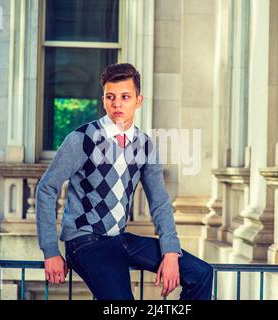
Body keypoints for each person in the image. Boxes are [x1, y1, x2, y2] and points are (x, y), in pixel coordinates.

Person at [35, 63, 213, 300]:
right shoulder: (82, 139)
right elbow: (46, 189)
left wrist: (171, 251)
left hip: (118, 238)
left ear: (138, 100)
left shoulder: (145, 145)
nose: (117, 103)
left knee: (201, 273)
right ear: (103, 100)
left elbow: (159, 201)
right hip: (85, 241)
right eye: (111, 97)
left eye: (125, 97)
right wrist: (50, 251)